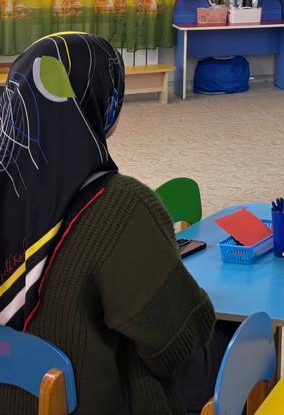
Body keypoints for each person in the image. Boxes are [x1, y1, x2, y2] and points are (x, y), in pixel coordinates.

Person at [0, 33, 215, 415]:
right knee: (222, 343)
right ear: (106, 102)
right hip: (90, 403)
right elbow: (176, 341)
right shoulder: (121, 205)